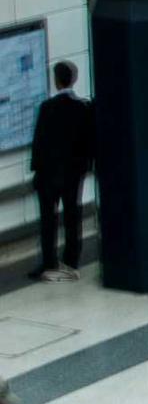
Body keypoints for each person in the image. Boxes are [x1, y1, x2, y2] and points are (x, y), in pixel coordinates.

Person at [27, 60, 93, 282]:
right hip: (73, 174)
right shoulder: (83, 108)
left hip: (48, 175)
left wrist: (36, 170)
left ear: (56, 81)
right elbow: (88, 143)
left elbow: (39, 143)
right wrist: (85, 167)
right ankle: (71, 261)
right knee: (72, 216)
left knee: (48, 220)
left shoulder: (47, 108)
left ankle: (48, 263)